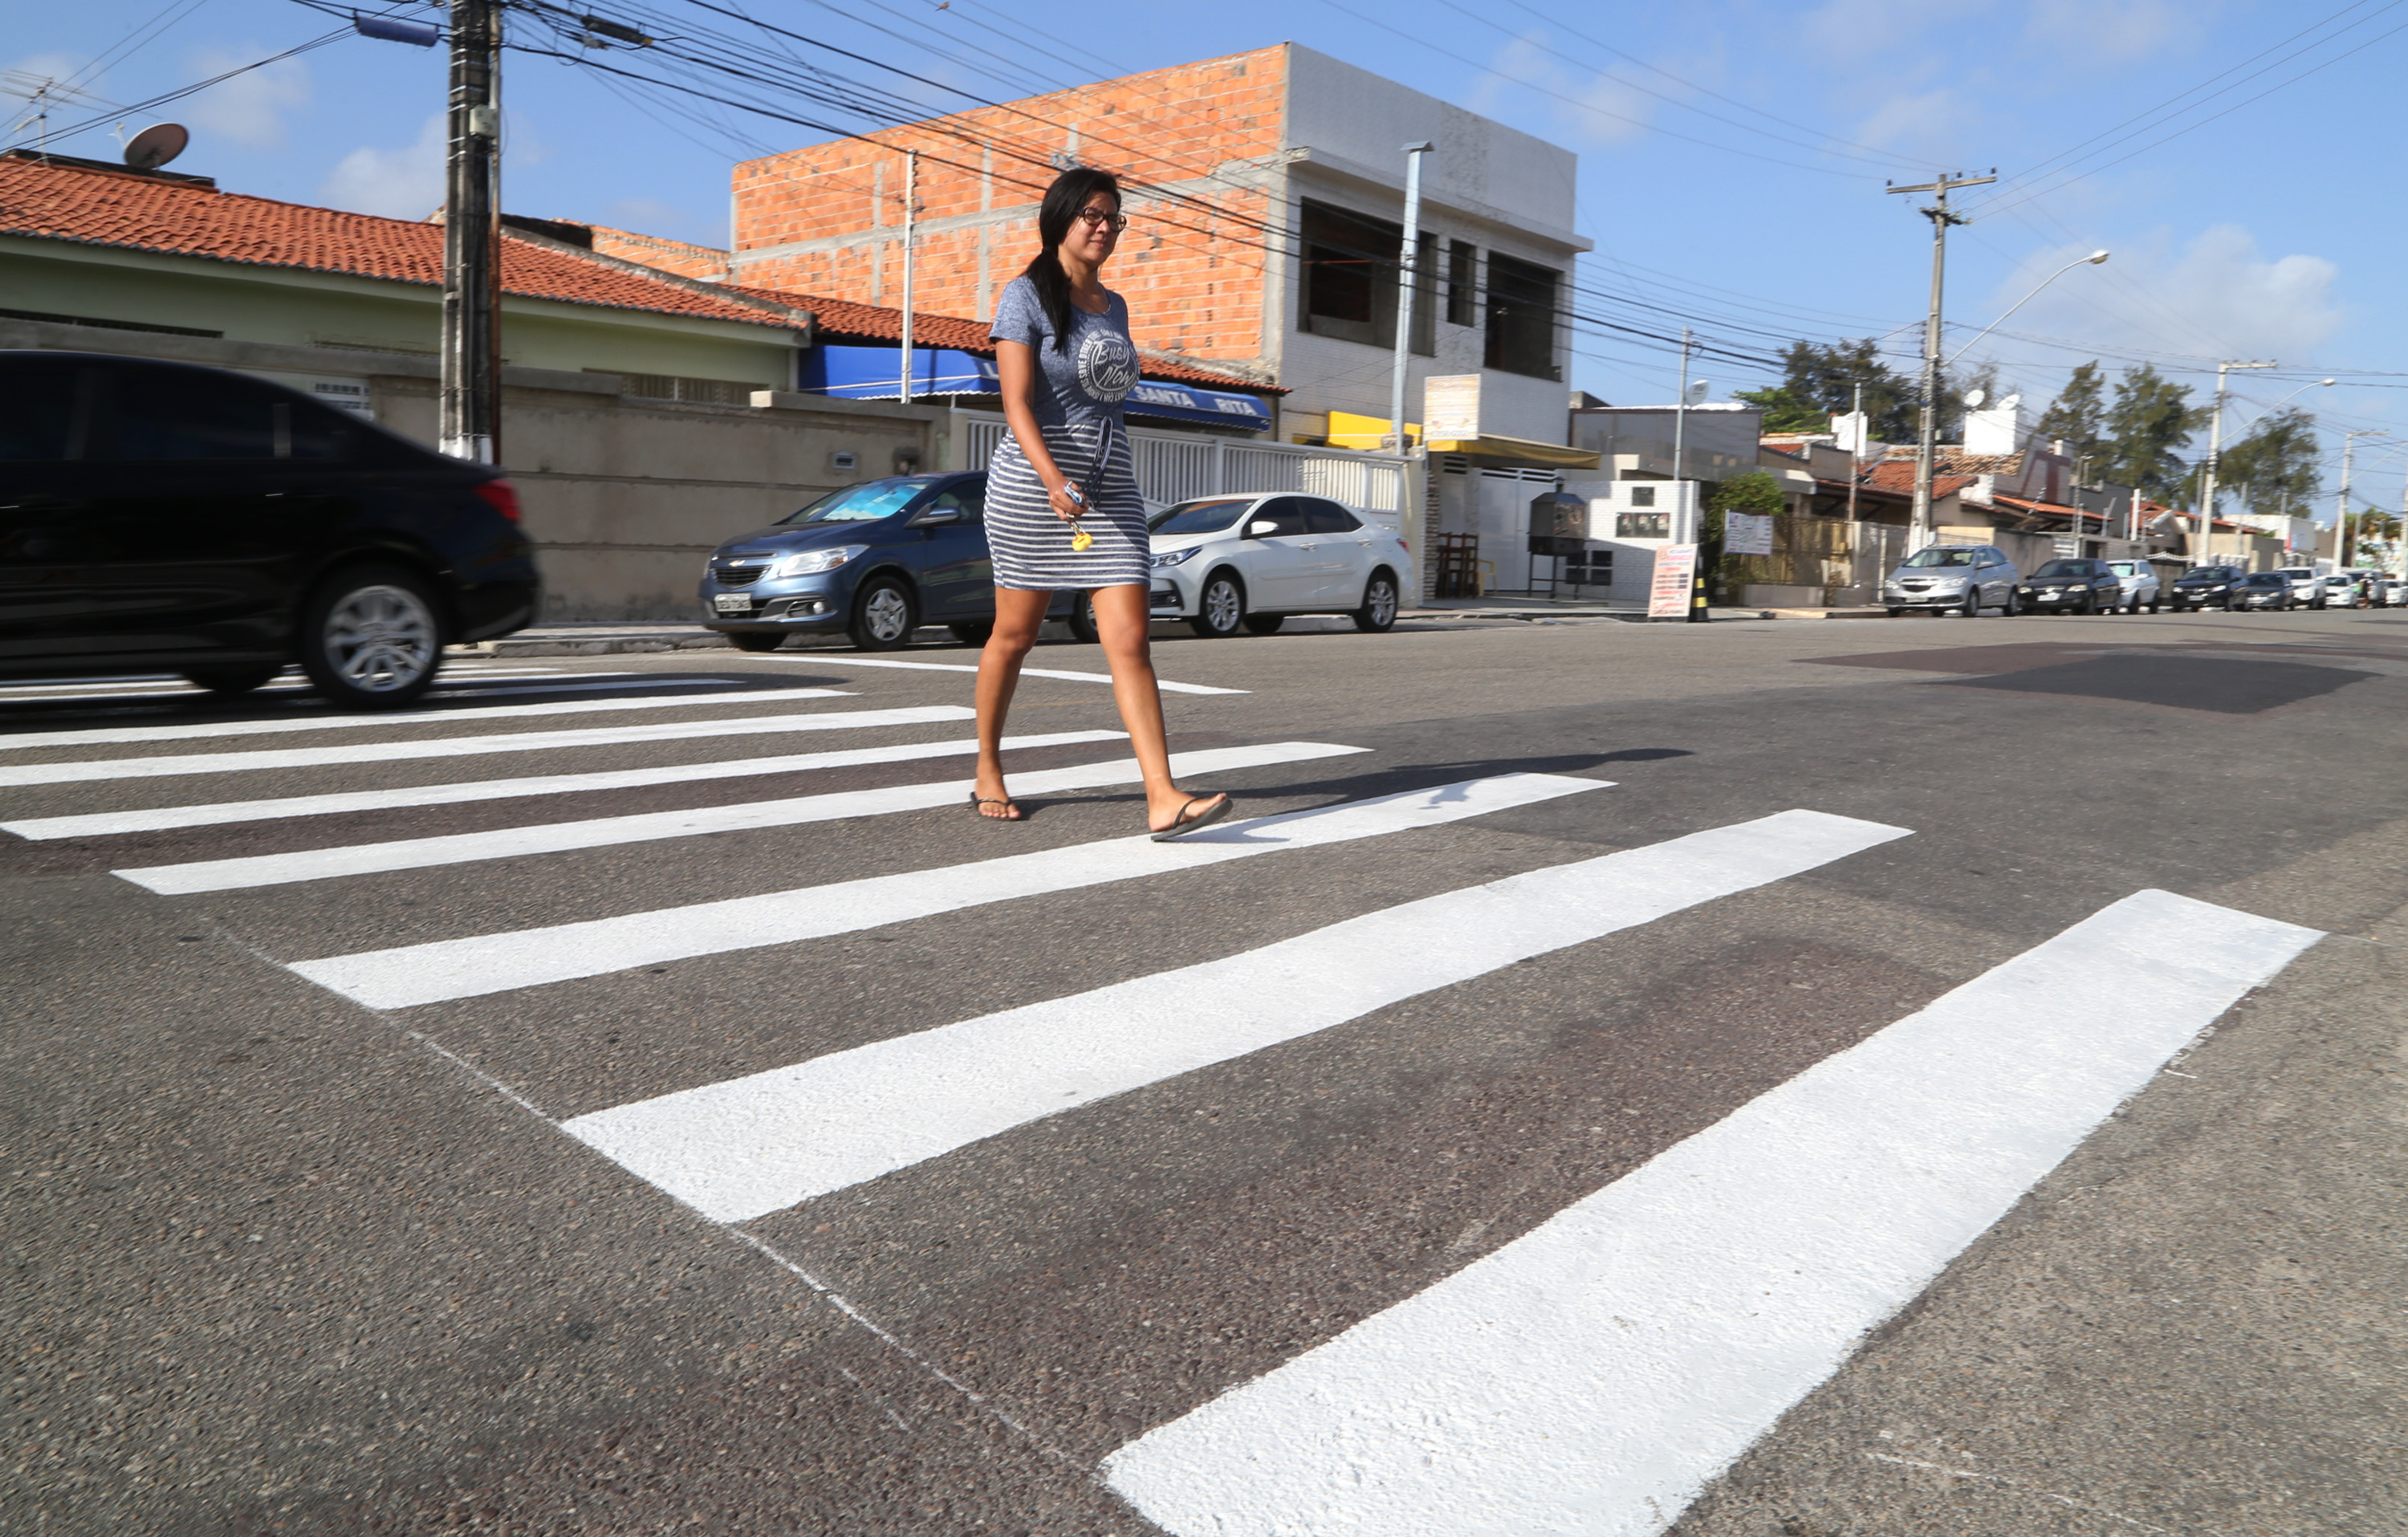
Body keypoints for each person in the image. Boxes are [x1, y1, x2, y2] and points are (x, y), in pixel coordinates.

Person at [969, 166, 1232, 840]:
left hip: (1110, 487)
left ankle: (1162, 796)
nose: (1105, 227)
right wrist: (1053, 478)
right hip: (1034, 485)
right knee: (1015, 636)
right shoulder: (1025, 296)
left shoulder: (1114, 307)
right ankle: (988, 766)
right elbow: (1015, 403)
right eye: (1092, 214)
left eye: (1114, 217)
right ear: (1061, 219)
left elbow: (1108, 404)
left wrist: (1089, 478)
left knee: (1131, 639)